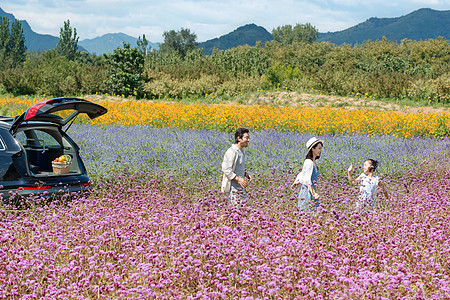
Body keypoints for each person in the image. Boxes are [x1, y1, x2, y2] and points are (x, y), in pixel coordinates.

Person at [221, 128, 252, 205]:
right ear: (239, 138)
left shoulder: (240, 151)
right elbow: (226, 169)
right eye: (246, 138)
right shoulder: (232, 152)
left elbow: (237, 166)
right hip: (233, 188)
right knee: (236, 210)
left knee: (242, 209)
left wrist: (245, 174)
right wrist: (238, 179)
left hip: (240, 187)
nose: (248, 140)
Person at [292, 137, 323, 210]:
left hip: (311, 191)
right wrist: (314, 193)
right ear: (313, 149)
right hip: (307, 193)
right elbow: (307, 180)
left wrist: (299, 181)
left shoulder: (313, 162)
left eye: (321, 148)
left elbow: (303, 173)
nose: (320, 150)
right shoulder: (309, 162)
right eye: (319, 148)